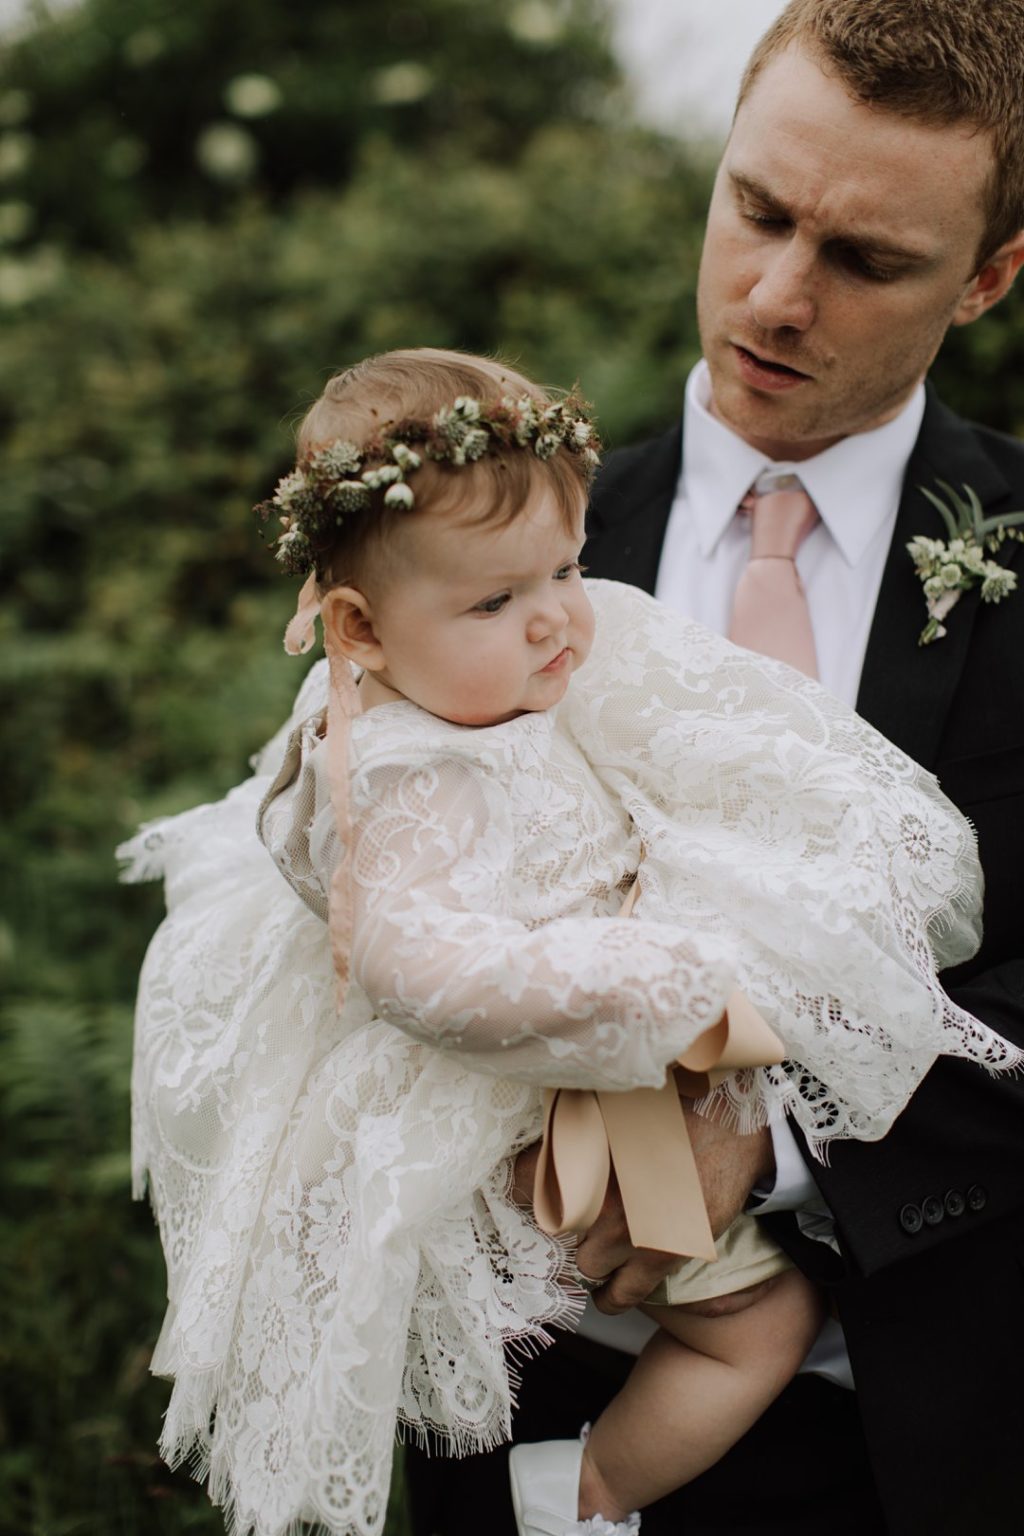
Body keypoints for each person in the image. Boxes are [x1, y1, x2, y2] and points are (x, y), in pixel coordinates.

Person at [121, 348, 1015, 1536]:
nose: (555, 619)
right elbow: (414, 960)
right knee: (757, 1326)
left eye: (568, 569)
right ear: (358, 627)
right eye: (496, 602)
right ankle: (575, 1499)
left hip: (923, 1375)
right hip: (570, 1116)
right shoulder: (410, 773)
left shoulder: (457, 688)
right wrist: (658, 977)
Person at [404, 4, 1024, 1534]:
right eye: (756, 210)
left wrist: (771, 1125)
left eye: (868, 261)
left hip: (924, 1427)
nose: (776, 295)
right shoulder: (498, 545)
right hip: (520, 1414)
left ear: (991, 278)